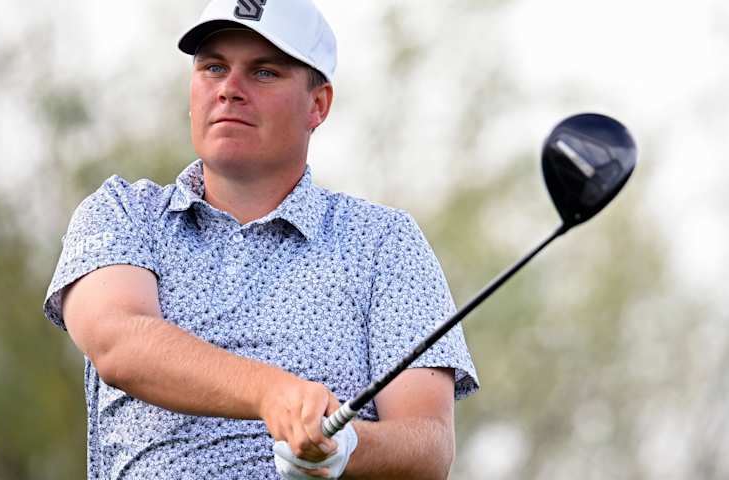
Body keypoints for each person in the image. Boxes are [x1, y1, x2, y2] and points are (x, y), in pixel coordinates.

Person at [43, 0, 479, 478]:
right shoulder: (124, 212)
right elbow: (116, 342)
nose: (230, 89)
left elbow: (429, 446)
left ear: (318, 104)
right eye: (213, 68)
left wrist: (345, 449)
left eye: (264, 72)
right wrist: (273, 394)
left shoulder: (384, 242)